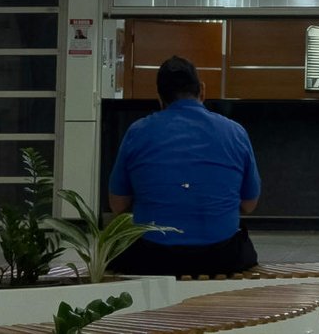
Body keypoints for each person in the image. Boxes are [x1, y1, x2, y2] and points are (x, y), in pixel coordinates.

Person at [107, 56, 260, 276]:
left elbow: (118, 204)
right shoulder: (235, 131)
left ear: (159, 97)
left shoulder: (137, 132)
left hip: (153, 256)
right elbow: (249, 204)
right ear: (202, 90)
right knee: (243, 246)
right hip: (222, 256)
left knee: (118, 251)